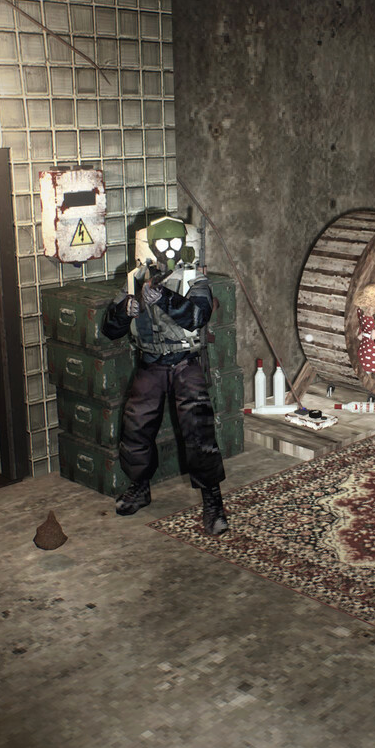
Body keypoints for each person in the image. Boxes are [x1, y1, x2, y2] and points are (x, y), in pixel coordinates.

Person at [100, 214, 229, 536]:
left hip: (186, 362)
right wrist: (123, 311)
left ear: (184, 245)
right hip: (150, 362)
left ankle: (213, 501)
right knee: (136, 429)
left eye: (174, 243)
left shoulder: (194, 279)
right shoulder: (135, 279)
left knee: (199, 434)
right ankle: (139, 487)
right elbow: (110, 330)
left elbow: (197, 316)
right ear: (150, 245)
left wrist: (167, 299)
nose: (168, 251)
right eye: (161, 243)